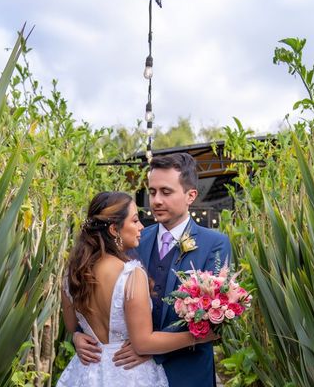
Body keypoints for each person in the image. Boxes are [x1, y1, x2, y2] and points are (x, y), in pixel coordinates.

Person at [73, 154, 232, 386]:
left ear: (191, 196)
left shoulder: (215, 243)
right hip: (129, 374)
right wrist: (79, 333)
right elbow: (97, 290)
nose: (156, 200)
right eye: (152, 191)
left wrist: (150, 348)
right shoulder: (132, 239)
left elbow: (214, 320)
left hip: (187, 373)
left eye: (166, 192)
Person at [57, 191, 216, 387]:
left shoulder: (72, 274)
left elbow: (72, 327)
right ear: (114, 229)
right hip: (129, 374)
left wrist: (76, 336)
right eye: (134, 221)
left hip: (87, 372)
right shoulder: (131, 274)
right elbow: (143, 343)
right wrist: (199, 336)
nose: (141, 227)